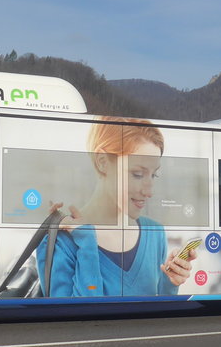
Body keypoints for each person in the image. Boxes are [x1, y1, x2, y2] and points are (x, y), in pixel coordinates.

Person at [36, 117, 194, 297]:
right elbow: (73, 318)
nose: (149, 191)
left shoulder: (155, 233)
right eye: (138, 174)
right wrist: (87, 244)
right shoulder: (60, 241)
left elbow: (158, 316)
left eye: (154, 175)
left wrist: (170, 282)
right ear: (102, 162)